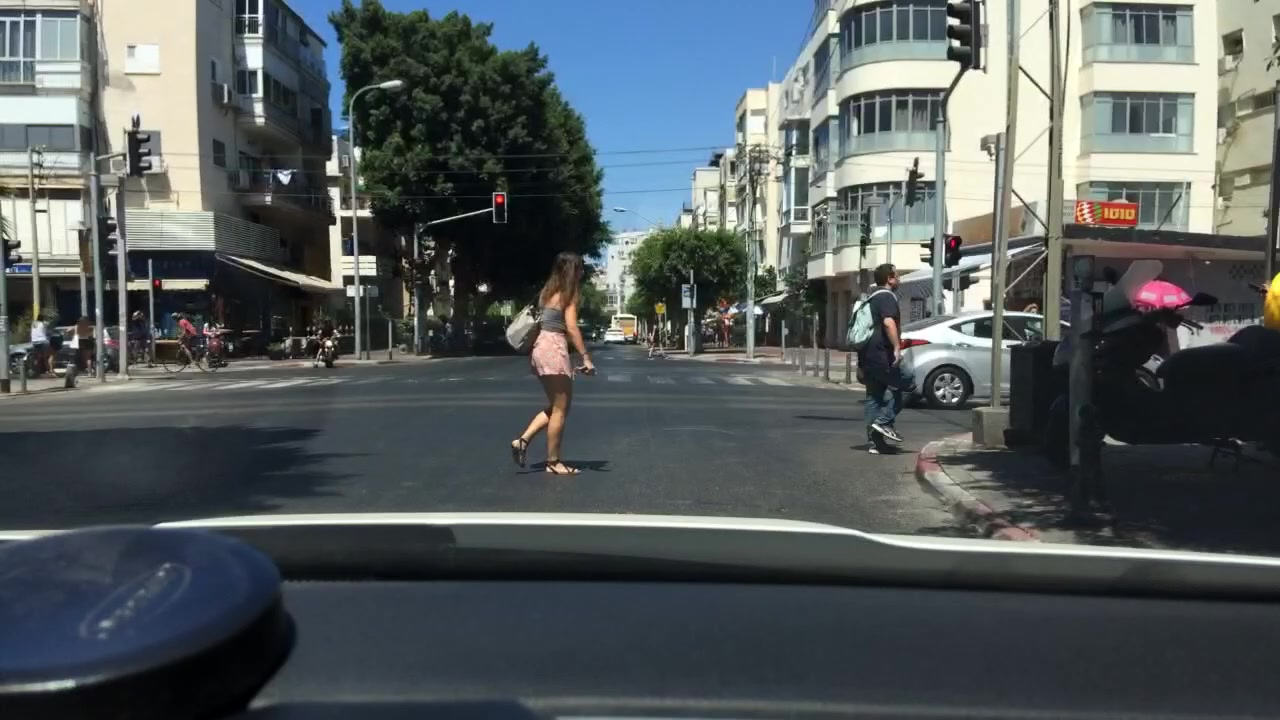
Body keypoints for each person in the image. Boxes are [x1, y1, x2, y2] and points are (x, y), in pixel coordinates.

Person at [511, 251, 595, 475]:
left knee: (557, 406)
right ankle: (553, 462)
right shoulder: (569, 294)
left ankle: (522, 441)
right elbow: (572, 327)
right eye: (580, 267)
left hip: (540, 347)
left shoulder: (547, 292)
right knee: (560, 409)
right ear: (572, 270)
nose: (583, 271)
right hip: (554, 348)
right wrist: (585, 356)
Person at [858, 263, 914, 454]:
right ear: (889, 279)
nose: (899, 279)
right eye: (897, 276)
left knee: (874, 397)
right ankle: (885, 421)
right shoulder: (886, 297)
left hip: (868, 355)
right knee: (909, 382)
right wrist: (897, 348)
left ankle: (875, 444)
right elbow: (889, 323)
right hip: (883, 355)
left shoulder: (872, 298)